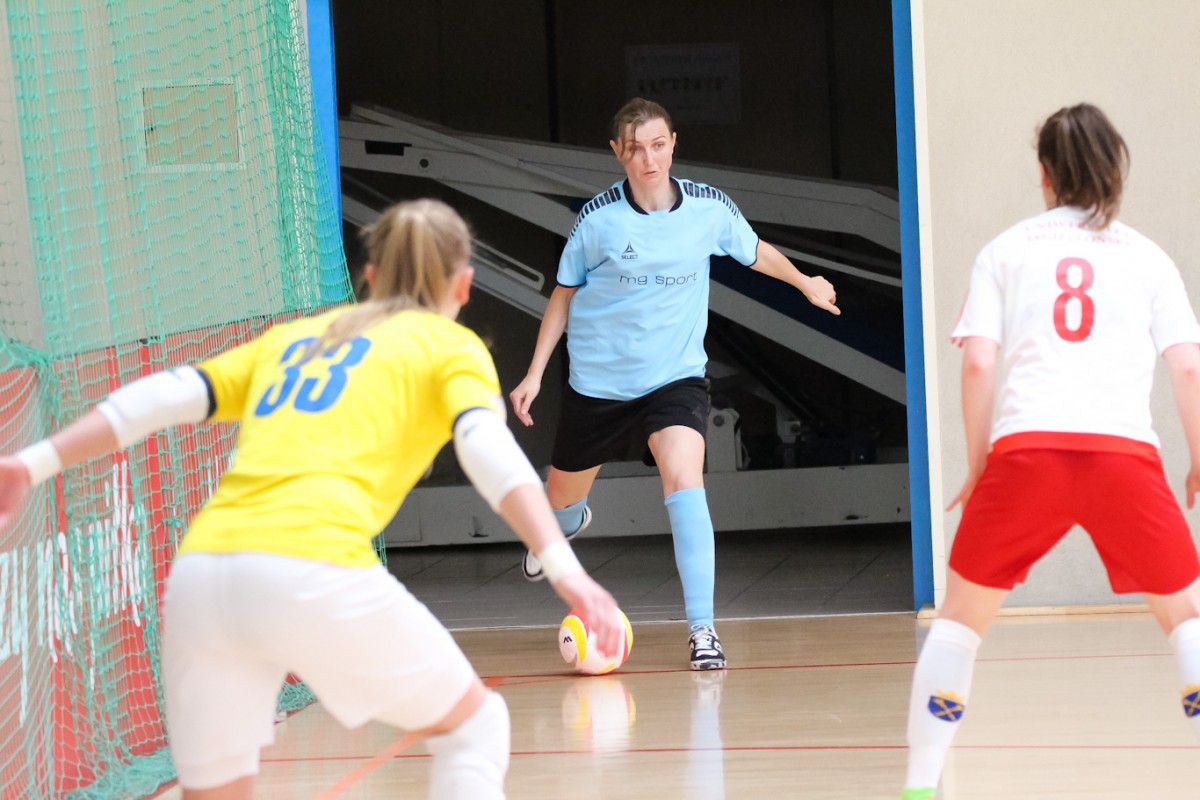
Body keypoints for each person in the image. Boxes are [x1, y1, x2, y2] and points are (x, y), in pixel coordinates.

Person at [0, 199, 623, 800]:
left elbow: (165, 395)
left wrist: (32, 463)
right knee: (474, 728)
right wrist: (565, 571)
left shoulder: (296, 340)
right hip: (313, 570)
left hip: (202, 578)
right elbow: (490, 452)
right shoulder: (448, 347)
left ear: (370, 278)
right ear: (464, 284)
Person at [900, 103, 1200, 799]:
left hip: (1027, 453)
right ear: (1115, 168)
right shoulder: (1148, 256)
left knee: (958, 626)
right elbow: (1187, 366)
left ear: (1043, 173)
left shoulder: (1005, 250)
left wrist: (981, 464)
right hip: (1124, 458)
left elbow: (979, 362)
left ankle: (919, 786)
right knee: (1187, 620)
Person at [509, 97, 840, 670]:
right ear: (618, 153)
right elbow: (562, 296)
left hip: (675, 381)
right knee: (557, 506)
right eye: (636, 149)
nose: (649, 159)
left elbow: (755, 252)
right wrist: (535, 373)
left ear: (673, 145)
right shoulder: (597, 221)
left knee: (685, 484)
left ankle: (703, 630)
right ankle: (560, 527)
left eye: (658, 145)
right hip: (600, 387)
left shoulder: (708, 209)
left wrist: (805, 281)